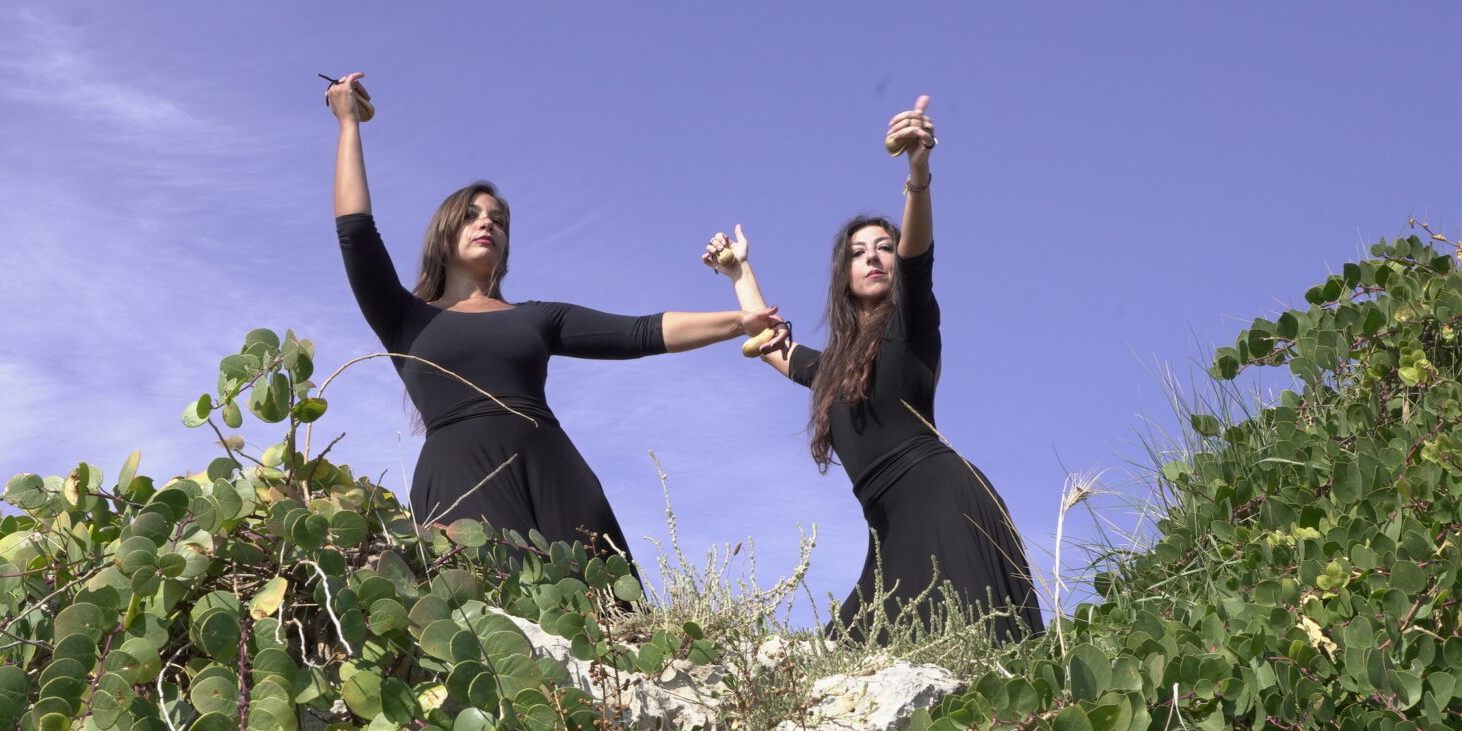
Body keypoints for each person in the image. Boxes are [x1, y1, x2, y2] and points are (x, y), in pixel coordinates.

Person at [327, 73, 780, 560]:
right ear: (443, 235)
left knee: (599, 615)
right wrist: (349, 123)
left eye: (498, 220)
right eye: (473, 216)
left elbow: (640, 332)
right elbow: (356, 232)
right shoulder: (403, 317)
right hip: (458, 478)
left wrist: (740, 321)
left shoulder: (536, 318)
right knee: (484, 604)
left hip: (557, 476)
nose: (488, 224)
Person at [705, 96, 1041, 641]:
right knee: (846, 658)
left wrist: (918, 172)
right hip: (889, 529)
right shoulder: (833, 368)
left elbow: (917, 260)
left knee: (979, 664)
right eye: (860, 251)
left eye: (884, 247)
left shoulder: (910, 325)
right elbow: (768, 339)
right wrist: (739, 270)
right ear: (844, 274)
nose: (875, 257)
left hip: (944, 505)